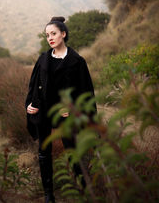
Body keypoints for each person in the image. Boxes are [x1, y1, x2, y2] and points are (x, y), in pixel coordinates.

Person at [25, 16, 96, 203]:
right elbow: (33, 86)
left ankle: (83, 191)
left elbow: (86, 92)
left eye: (54, 33)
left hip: (66, 115)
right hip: (44, 112)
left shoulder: (76, 61)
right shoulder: (43, 59)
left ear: (63, 34)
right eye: (47, 35)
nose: (50, 38)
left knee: (73, 150)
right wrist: (30, 105)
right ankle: (48, 194)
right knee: (44, 150)